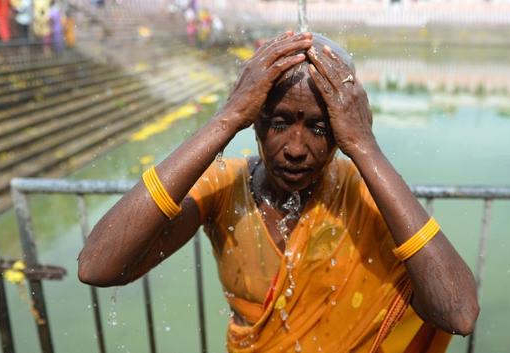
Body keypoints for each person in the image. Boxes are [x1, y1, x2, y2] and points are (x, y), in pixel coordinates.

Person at [78, 32, 479, 352]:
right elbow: (99, 267)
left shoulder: (363, 195)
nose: (296, 148)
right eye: (279, 122)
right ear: (255, 122)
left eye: (320, 129)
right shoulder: (225, 187)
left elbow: (459, 314)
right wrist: (226, 118)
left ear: (344, 133)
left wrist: (366, 147)